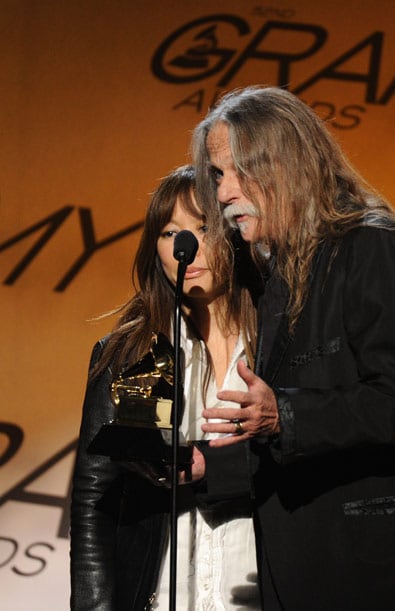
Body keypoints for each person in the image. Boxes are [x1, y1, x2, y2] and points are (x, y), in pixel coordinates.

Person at [189, 85, 395, 610]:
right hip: (317, 577)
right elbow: (307, 442)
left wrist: (282, 414)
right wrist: (207, 467)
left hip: (386, 579)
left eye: (235, 171)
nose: (223, 194)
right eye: (218, 175)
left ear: (283, 165)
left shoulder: (375, 248)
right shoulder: (283, 273)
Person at [70, 165, 261, 610]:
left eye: (203, 227)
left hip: (257, 592)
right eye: (169, 232)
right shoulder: (136, 353)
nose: (185, 247)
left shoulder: (276, 342)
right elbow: (96, 498)